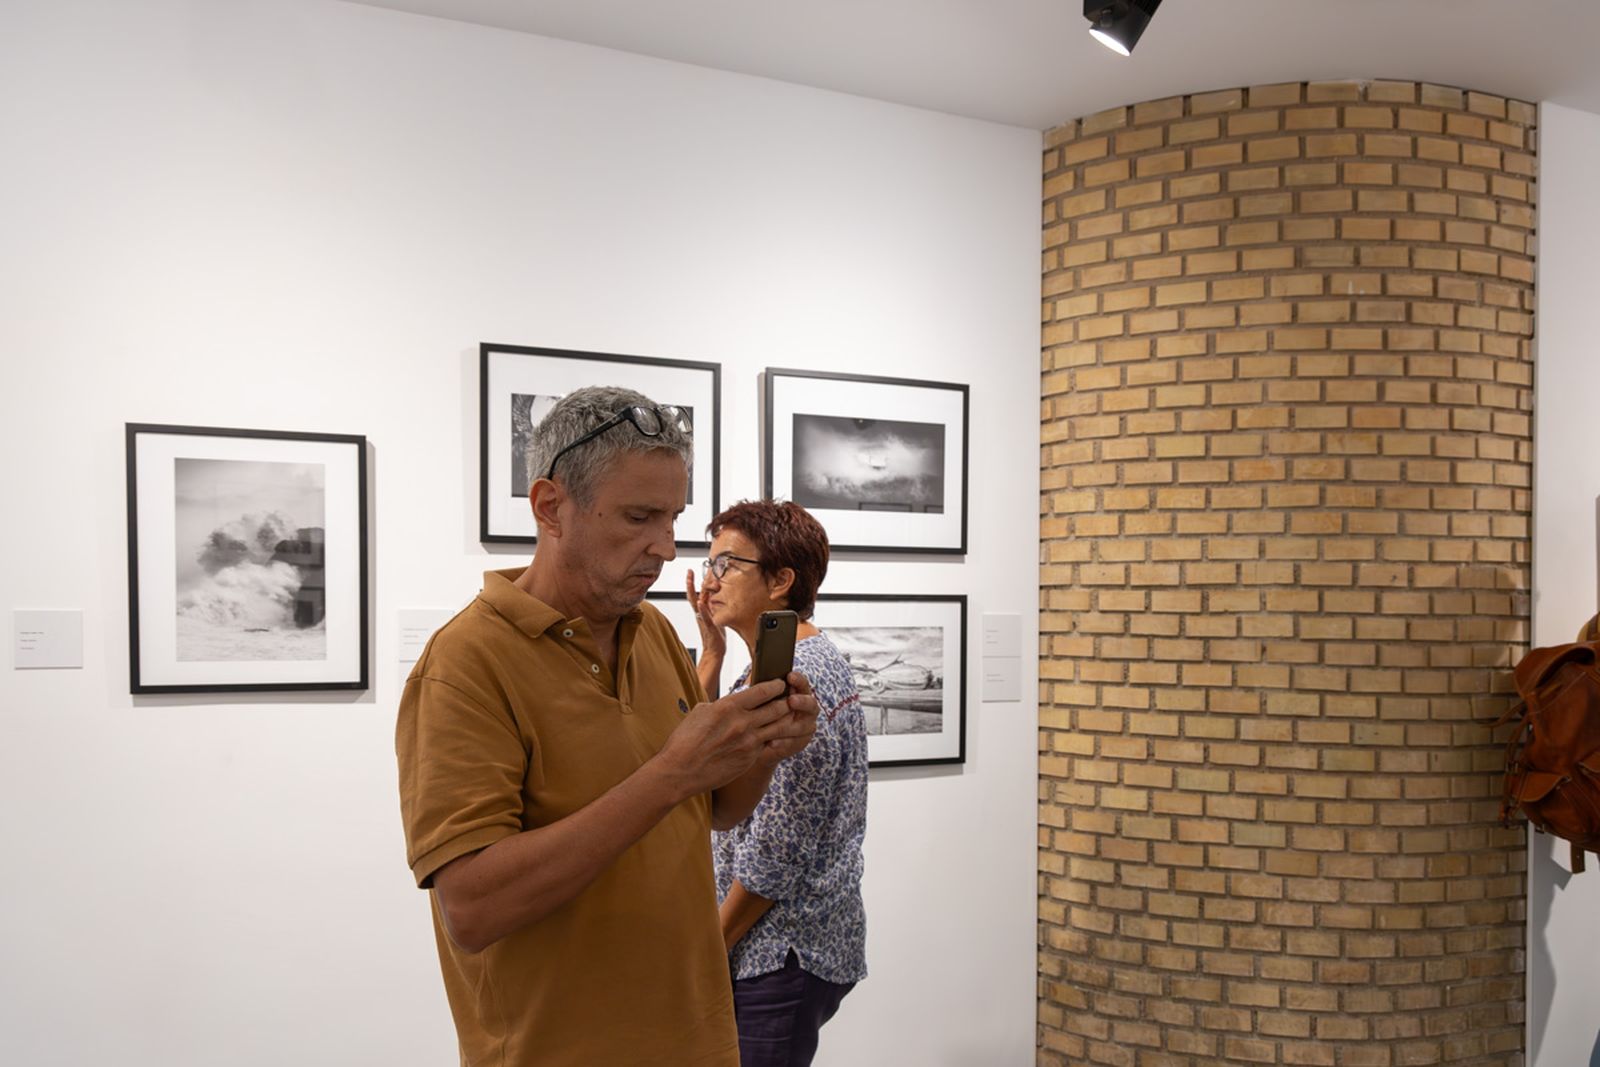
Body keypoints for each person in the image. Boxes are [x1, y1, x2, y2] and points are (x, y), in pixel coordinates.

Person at [395, 386, 821, 1067]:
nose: (664, 546)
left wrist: (765, 745)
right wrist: (669, 772)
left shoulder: (650, 631)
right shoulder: (465, 663)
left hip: (699, 1041)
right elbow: (472, 907)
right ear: (549, 506)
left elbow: (713, 809)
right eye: (637, 516)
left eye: (673, 516)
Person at [685, 499, 868, 1067]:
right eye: (709, 563)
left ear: (781, 582)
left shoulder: (795, 679)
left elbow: (776, 855)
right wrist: (711, 653)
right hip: (774, 949)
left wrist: (705, 952)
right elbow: (698, 763)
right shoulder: (772, 664)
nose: (708, 581)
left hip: (778, 952)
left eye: (727, 565)